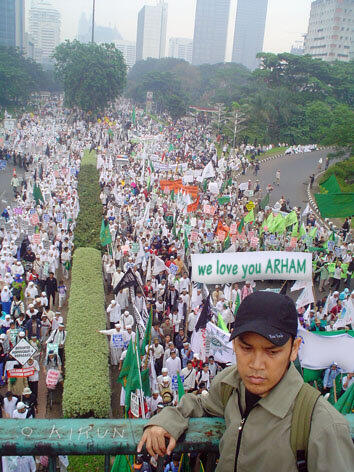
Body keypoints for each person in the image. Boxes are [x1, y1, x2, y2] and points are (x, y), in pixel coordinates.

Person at [138, 292, 354, 471]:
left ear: (294, 349)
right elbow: (202, 404)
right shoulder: (230, 386)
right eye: (246, 348)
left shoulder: (322, 426)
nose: (257, 364)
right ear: (234, 344)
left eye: (272, 352)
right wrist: (167, 420)